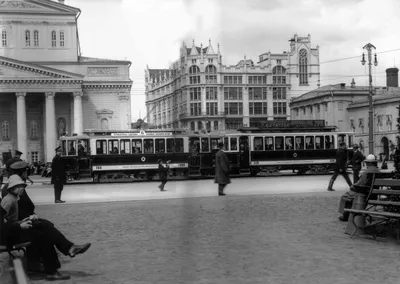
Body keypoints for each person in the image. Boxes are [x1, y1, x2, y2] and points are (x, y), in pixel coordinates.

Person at [1, 174, 91, 280]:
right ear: (12, 188)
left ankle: (66, 251)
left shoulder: (13, 198)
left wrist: (22, 221)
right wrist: (20, 225)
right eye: (18, 187)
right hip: (8, 236)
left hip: (11, 231)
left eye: (22, 186)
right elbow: (3, 222)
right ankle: (57, 264)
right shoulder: (8, 200)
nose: (22, 189)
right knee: (44, 234)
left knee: (44, 226)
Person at [338, 154, 381, 221]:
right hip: (373, 195)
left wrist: (352, 186)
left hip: (365, 194)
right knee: (350, 196)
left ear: (369, 163)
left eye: (367, 163)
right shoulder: (378, 171)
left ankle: (345, 215)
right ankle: (348, 214)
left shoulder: (367, 172)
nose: (366, 164)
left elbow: (360, 183)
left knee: (345, 196)